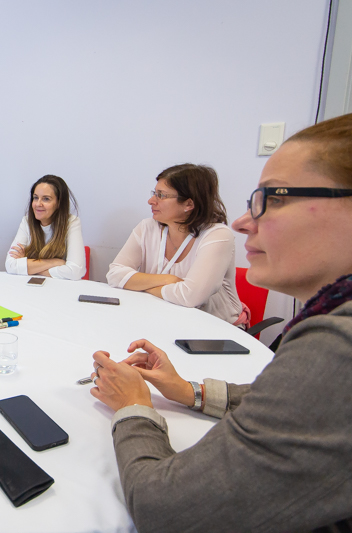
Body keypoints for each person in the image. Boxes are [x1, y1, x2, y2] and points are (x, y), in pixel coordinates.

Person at [90, 114, 352, 532]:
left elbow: (165, 509)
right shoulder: (331, 325)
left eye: (273, 199)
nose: (243, 222)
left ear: (188, 204)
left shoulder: (336, 346)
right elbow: (117, 275)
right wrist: (188, 390)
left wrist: (134, 406)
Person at [106, 164, 244, 325]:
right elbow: (114, 274)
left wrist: (138, 285)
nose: (151, 201)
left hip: (215, 328)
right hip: (163, 319)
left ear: (189, 204)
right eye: (154, 193)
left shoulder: (218, 235)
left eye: (161, 195)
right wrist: (168, 279)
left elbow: (191, 297)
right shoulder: (147, 227)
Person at [5, 175, 86, 279]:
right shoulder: (26, 221)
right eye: (35, 198)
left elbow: (75, 271)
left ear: (59, 203)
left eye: (46, 199)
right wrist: (56, 262)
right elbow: (11, 265)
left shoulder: (71, 223)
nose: (38, 204)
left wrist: (28, 266)